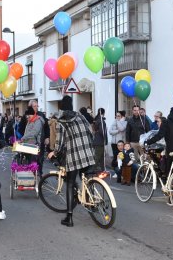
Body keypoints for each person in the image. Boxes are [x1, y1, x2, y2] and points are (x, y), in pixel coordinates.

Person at [47, 95, 96, 227]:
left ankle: (69, 218)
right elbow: (90, 130)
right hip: (88, 152)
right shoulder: (80, 116)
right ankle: (93, 202)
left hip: (74, 155)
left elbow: (60, 142)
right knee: (85, 178)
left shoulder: (61, 120)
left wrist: (54, 152)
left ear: (61, 106)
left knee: (69, 182)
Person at [108, 110, 127, 176]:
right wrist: (116, 131)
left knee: (120, 157)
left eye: (118, 116)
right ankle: (116, 171)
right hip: (113, 142)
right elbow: (110, 131)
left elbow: (121, 129)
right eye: (116, 116)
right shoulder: (114, 122)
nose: (116, 117)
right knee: (115, 157)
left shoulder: (124, 122)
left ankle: (120, 171)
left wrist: (118, 121)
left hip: (120, 143)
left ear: (122, 116)